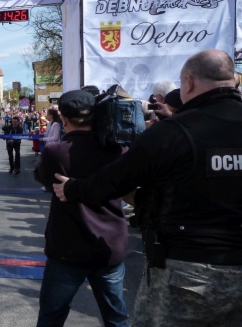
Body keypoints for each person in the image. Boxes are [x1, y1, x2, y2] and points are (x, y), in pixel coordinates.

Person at [53, 49, 242, 326]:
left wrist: (73, 190)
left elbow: (114, 179)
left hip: (188, 271)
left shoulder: (174, 132)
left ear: (188, 83)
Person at [34, 90, 128, 327]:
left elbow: (42, 178)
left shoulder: (56, 152)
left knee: (51, 317)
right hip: (109, 246)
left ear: (63, 119)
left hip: (68, 249)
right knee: (116, 319)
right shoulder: (117, 150)